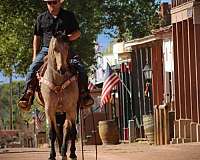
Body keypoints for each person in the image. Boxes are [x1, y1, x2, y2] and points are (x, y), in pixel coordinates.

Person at [18, 0, 94, 111]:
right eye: (49, 3)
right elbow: (37, 37)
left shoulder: (68, 16)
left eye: (54, 2)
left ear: (60, 2)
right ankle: (27, 95)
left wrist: (66, 39)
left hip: (64, 49)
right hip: (46, 50)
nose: (51, 5)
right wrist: (34, 55)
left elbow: (78, 33)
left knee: (81, 67)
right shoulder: (41, 18)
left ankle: (84, 95)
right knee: (32, 68)